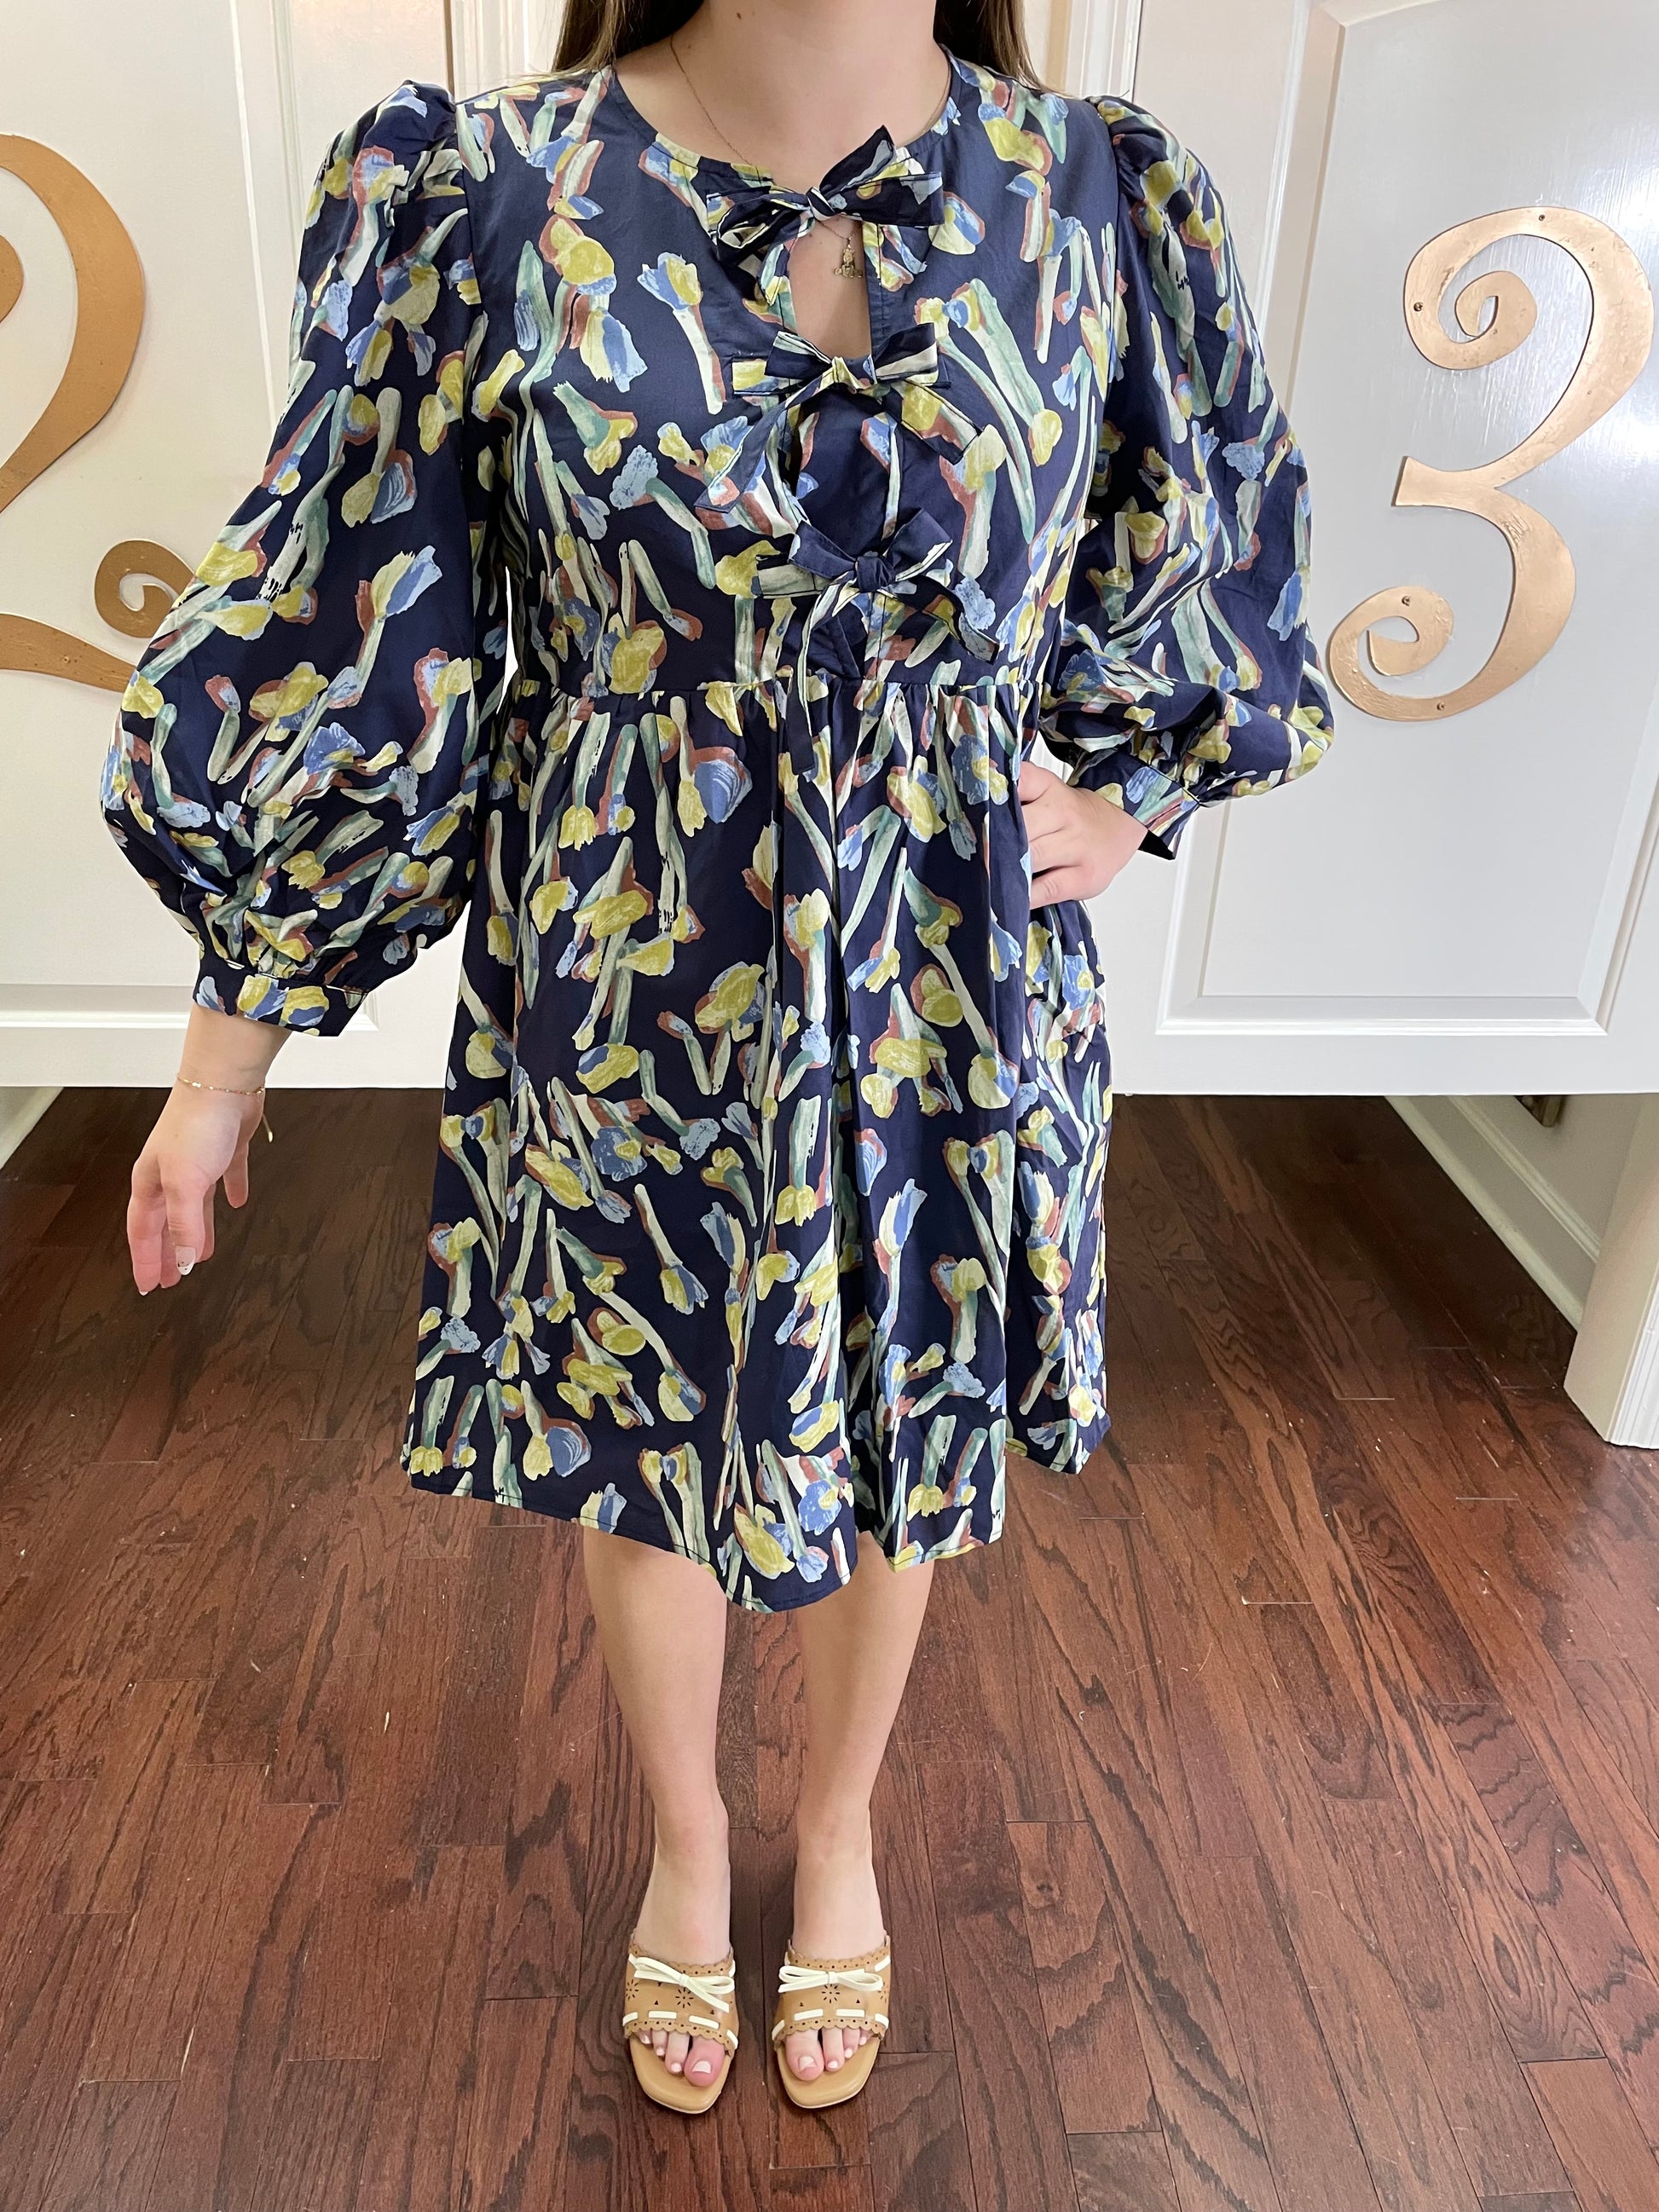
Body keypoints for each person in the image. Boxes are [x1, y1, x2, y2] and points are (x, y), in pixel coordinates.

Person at [102, 0, 1332, 2118]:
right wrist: (222, 1062)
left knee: (898, 1415)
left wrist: (1129, 790)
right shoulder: (485, 194)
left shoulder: (1099, 201)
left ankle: (835, 1825)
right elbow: (356, 636)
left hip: (945, 979)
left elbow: (1208, 545)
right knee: (642, 1427)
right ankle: (687, 1840)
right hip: (627, 973)